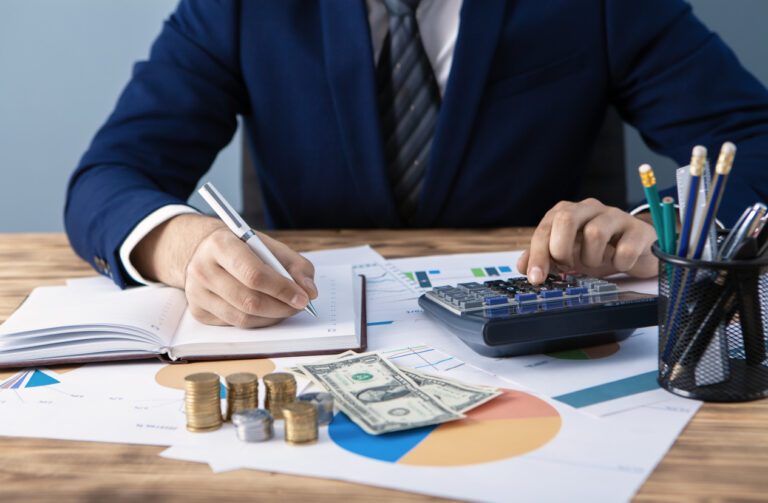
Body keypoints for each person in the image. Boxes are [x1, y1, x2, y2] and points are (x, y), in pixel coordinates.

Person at [65, 0, 768, 329]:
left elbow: (757, 141)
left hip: (538, 345)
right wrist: (176, 243)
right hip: (307, 343)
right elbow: (109, 176)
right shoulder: (240, 8)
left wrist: (659, 230)